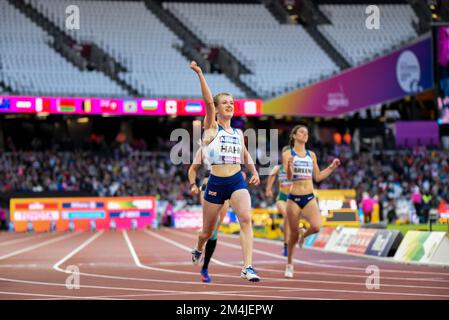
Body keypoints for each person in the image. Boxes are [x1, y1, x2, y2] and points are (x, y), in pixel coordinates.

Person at [189, 61, 261, 282]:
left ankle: (247, 266)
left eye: (232, 102)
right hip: (215, 185)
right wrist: (201, 74)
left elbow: (245, 155)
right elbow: (208, 104)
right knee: (207, 232)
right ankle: (199, 247)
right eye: (225, 103)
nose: (229, 105)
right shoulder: (212, 129)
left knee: (246, 219)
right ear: (218, 108)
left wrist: (253, 170)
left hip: (236, 182)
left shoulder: (238, 133)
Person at [283, 124, 340, 278]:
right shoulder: (288, 154)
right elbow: (289, 178)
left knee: (316, 227)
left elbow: (318, 177)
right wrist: (289, 167)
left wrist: (332, 167)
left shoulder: (311, 155)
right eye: (301, 132)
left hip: (308, 196)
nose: (305, 134)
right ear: (294, 136)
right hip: (293, 198)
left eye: (307, 133)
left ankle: (304, 235)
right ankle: (289, 263)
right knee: (292, 234)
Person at [188, 147, 230, 283]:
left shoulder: (228, 144)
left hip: (226, 185)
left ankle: (205, 268)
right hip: (209, 185)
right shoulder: (204, 148)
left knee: (214, 232)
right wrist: (193, 184)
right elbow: (192, 169)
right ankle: (199, 248)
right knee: (211, 226)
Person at [265, 146, 292, 256]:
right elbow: (271, 176)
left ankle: (291, 237)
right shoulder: (278, 168)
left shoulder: (295, 167)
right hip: (282, 197)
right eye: (284, 154)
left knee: (291, 219)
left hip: (293, 198)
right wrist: (268, 189)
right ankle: (286, 245)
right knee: (287, 216)